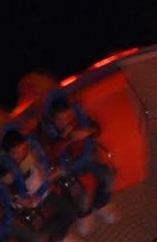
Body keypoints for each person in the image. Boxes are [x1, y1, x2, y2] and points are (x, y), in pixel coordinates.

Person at [41, 93, 117, 222]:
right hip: (65, 167)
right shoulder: (48, 133)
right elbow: (51, 154)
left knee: (107, 176)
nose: (66, 122)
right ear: (54, 120)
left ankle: (101, 204)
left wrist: (87, 132)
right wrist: (64, 138)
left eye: (68, 118)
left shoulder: (78, 121)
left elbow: (97, 128)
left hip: (85, 159)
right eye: (60, 120)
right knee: (81, 194)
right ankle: (83, 215)